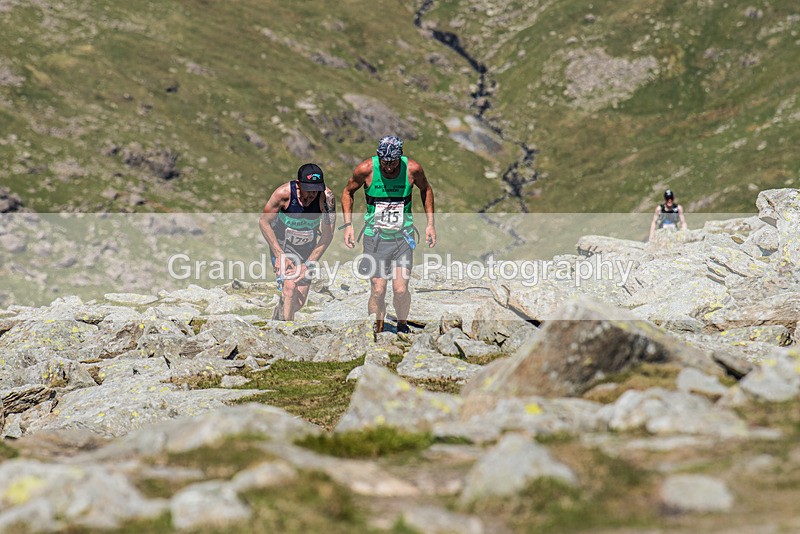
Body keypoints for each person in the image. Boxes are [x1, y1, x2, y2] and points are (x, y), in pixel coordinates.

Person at [341, 135, 436, 335]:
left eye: (393, 163)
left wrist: (430, 224)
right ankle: (375, 331)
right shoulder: (366, 169)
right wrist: (348, 225)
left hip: (403, 238)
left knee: (400, 290)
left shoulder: (412, 169)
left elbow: (426, 189)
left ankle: (402, 326)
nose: (390, 168)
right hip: (375, 239)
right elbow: (347, 192)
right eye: (385, 163)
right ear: (379, 157)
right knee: (378, 290)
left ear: (400, 158)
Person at [259, 163, 336, 320]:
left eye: (316, 190)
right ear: (299, 184)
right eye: (308, 190)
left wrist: (308, 264)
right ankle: (286, 333)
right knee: (290, 286)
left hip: (308, 248)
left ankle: (279, 315)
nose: (312, 194)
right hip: (283, 246)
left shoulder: (327, 199)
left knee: (298, 301)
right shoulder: (283, 194)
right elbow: (264, 222)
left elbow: (327, 235)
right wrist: (279, 255)